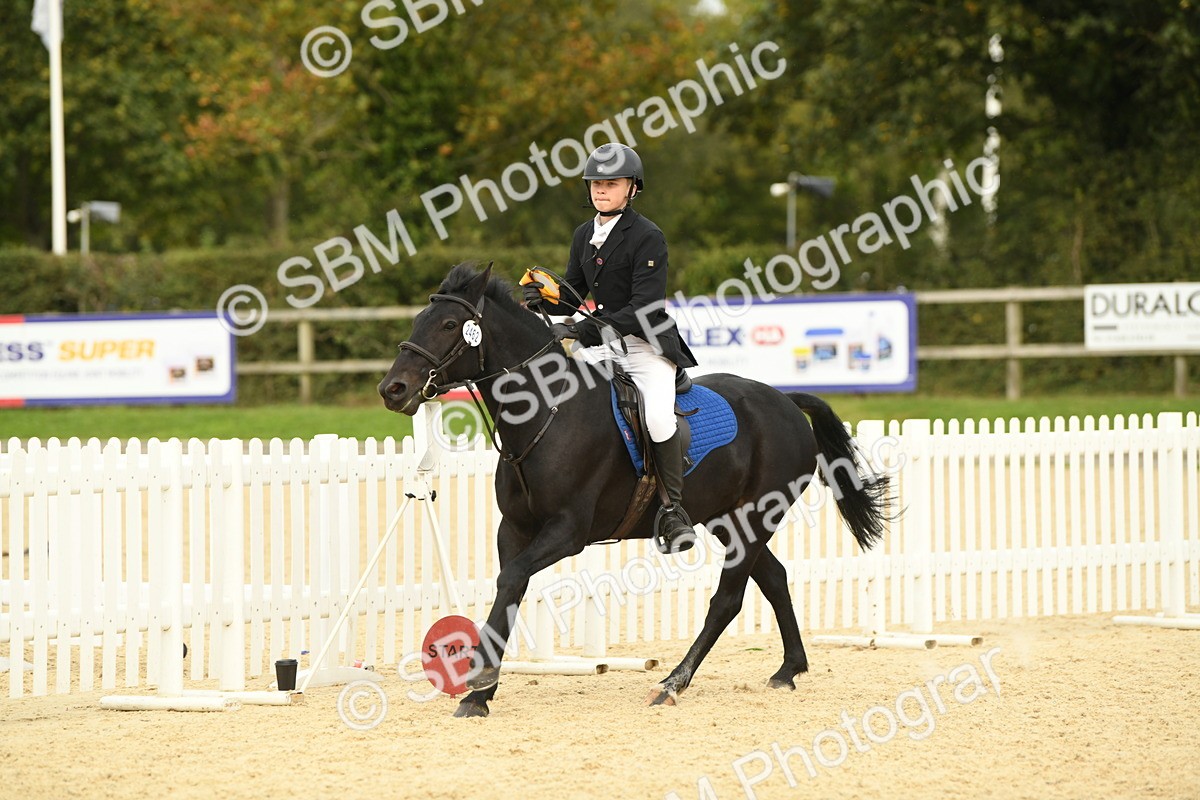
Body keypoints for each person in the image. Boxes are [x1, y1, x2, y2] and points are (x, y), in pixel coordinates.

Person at [522, 143, 699, 553]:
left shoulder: (648, 236)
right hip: (602, 345)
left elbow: (643, 307)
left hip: (645, 346)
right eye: (596, 183)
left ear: (632, 188)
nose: (601, 190)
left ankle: (674, 509)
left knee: (656, 417)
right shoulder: (584, 235)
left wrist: (583, 330)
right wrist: (544, 299)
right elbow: (571, 294)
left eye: (611, 183)